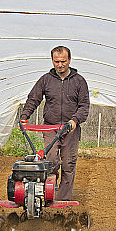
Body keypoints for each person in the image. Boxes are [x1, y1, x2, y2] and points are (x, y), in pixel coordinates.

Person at [20, 46, 90, 200]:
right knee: (50, 160)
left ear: (69, 60)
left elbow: (84, 106)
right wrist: (24, 116)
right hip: (50, 126)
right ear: (52, 61)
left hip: (70, 128)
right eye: (56, 61)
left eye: (63, 61)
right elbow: (33, 99)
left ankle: (63, 199)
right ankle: (49, 191)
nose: (60, 65)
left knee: (68, 164)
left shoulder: (79, 81)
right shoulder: (46, 80)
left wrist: (75, 120)